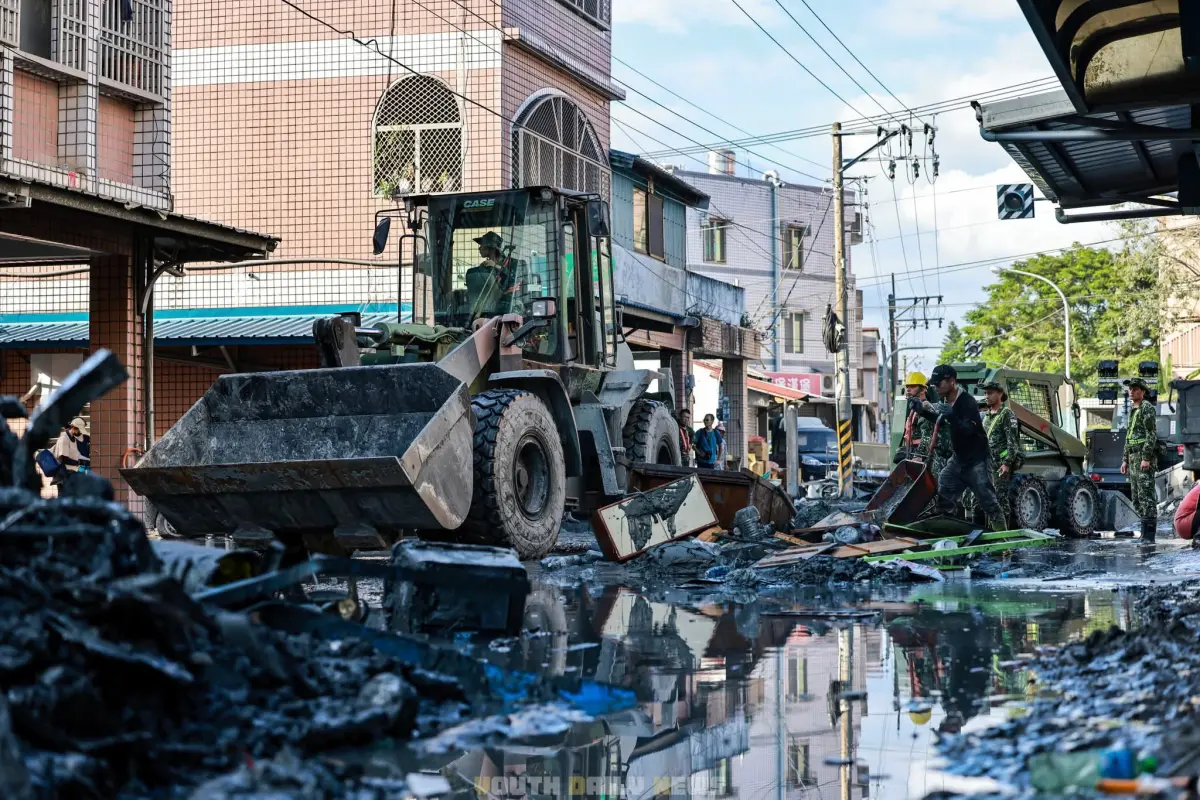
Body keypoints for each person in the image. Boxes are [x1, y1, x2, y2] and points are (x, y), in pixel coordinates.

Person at [915, 365, 1007, 531]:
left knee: (988, 502)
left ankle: (1003, 542)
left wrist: (953, 416)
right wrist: (922, 411)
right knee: (944, 486)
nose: (936, 388)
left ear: (951, 381)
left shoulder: (967, 402)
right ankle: (947, 530)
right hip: (959, 459)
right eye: (934, 384)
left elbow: (969, 429)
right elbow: (941, 421)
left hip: (977, 460)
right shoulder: (946, 400)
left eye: (939, 384)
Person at [981, 381, 1024, 528]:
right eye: (986, 393)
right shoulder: (987, 415)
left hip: (1000, 464)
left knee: (1000, 498)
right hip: (987, 464)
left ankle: (1003, 535)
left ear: (1000, 394)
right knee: (987, 499)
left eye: (990, 393)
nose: (987, 396)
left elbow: (1013, 443)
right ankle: (990, 533)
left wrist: (1007, 463)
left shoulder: (1007, 414)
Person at [1121, 377, 1158, 542]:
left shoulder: (1146, 407)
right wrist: (1125, 460)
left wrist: (1146, 457)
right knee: (1136, 497)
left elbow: (1151, 434)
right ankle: (1144, 533)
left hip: (1143, 457)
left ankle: (1149, 536)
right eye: (1130, 389)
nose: (1132, 391)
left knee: (1146, 496)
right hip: (1133, 456)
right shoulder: (1133, 410)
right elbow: (1129, 437)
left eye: (1135, 389)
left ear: (1143, 392)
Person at [51, 416, 90, 483]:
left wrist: (88, 460)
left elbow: (77, 455)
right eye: (79, 430)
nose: (80, 432)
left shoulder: (73, 439)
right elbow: (63, 459)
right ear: (74, 428)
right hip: (64, 475)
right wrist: (78, 462)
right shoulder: (64, 439)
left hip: (72, 473)